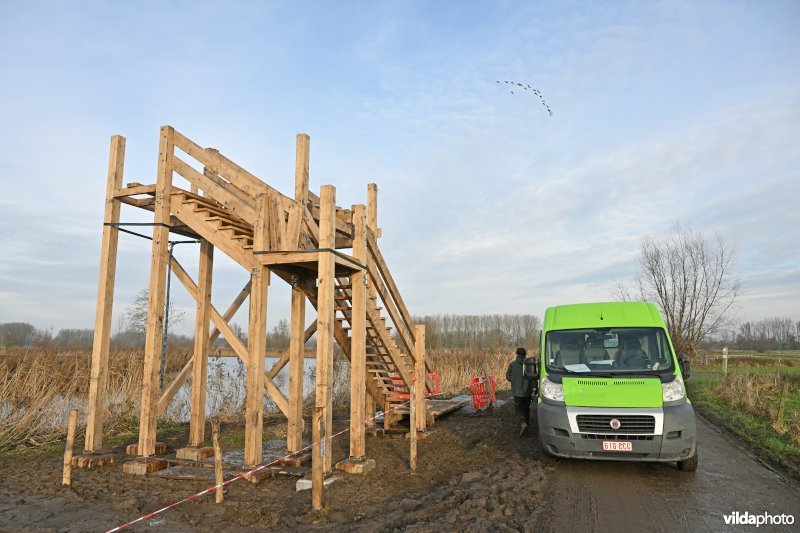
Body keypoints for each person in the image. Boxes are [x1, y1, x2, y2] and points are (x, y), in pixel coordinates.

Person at [506, 347, 535, 437]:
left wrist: (513, 380)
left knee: (519, 409)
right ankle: (526, 426)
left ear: (517, 354)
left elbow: (508, 376)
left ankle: (523, 423)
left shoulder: (512, 364)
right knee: (526, 408)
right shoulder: (530, 364)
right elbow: (534, 378)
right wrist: (534, 390)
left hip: (517, 392)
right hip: (528, 392)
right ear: (525, 354)